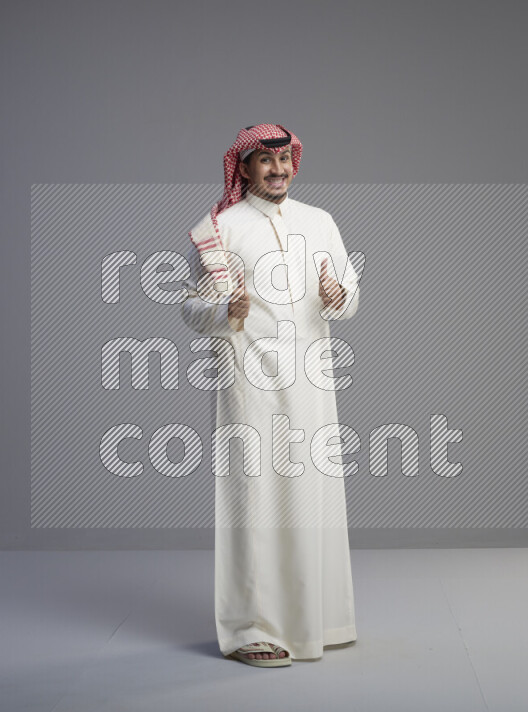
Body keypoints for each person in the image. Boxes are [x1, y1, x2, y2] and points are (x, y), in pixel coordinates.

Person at [180, 124, 362, 667]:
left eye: (284, 160)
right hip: (248, 379)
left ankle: (317, 619)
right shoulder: (220, 229)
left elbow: (350, 296)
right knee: (253, 496)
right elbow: (190, 308)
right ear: (244, 167)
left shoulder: (320, 221)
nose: (278, 170)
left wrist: (339, 296)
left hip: (312, 380)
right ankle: (250, 629)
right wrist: (223, 311)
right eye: (265, 160)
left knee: (313, 493)